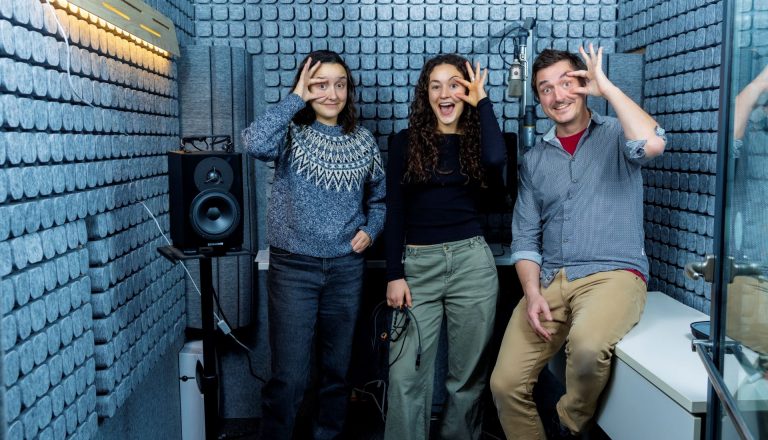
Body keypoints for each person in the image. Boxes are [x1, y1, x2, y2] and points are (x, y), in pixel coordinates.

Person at [490, 44, 667, 440]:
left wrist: (608, 89)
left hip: (612, 275)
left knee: (586, 349)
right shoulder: (535, 160)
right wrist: (532, 293)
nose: (558, 96)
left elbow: (654, 144)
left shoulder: (617, 133)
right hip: (552, 279)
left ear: (584, 85)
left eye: (567, 83)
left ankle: (567, 424)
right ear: (538, 98)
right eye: (546, 89)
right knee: (504, 384)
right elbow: (525, 238)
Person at [242, 50, 385, 440]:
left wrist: (371, 230)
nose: (332, 93)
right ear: (305, 86)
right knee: (289, 376)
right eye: (321, 84)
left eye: (340, 84)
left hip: (345, 269)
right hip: (294, 269)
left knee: (337, 373)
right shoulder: (290, 134)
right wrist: (295, 98)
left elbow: (380, 200)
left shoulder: (363, 141)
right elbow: (253, 142)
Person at [384, 54, 506, 440]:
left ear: (466, 90)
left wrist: (483, 102)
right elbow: (395, 211)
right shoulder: (405, 143)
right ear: (426, 95)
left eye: (454, 83)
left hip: (471, 262)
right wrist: (394, 274)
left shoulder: (477, 141)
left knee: (466, 377)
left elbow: (496, 158)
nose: (445, 93)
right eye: (435, 86)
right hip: (418, 265)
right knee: (405, 375)